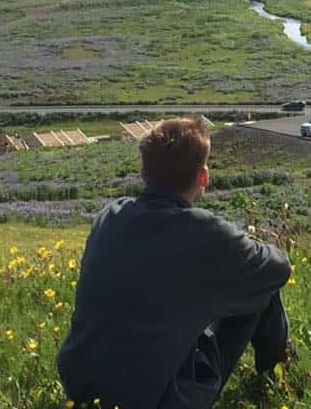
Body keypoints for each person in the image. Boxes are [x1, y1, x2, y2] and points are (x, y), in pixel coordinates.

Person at [57, 118, 293, 409]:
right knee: (262, 284)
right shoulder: (204, 232)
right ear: (203, 177)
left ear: (144, 173)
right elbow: (280, 268)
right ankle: (277, 378)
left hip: (80, 386)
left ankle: (276, 374)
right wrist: (242, 244)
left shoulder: (110, 215)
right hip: (157, 401)